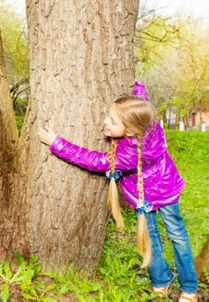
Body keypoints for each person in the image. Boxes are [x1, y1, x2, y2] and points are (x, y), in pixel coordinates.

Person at [38, 82, 198, 302]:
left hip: (163, 191)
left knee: (177, 236)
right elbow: (143, 103)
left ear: (131, 130)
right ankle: (161, 280)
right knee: (150, 237)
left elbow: (95, 160)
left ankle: (189, 288)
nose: (105, 121)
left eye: (112, 121)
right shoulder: (148, 121)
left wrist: (58, 143)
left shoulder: (128, 155)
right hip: (150, 191)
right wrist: (138, 86)